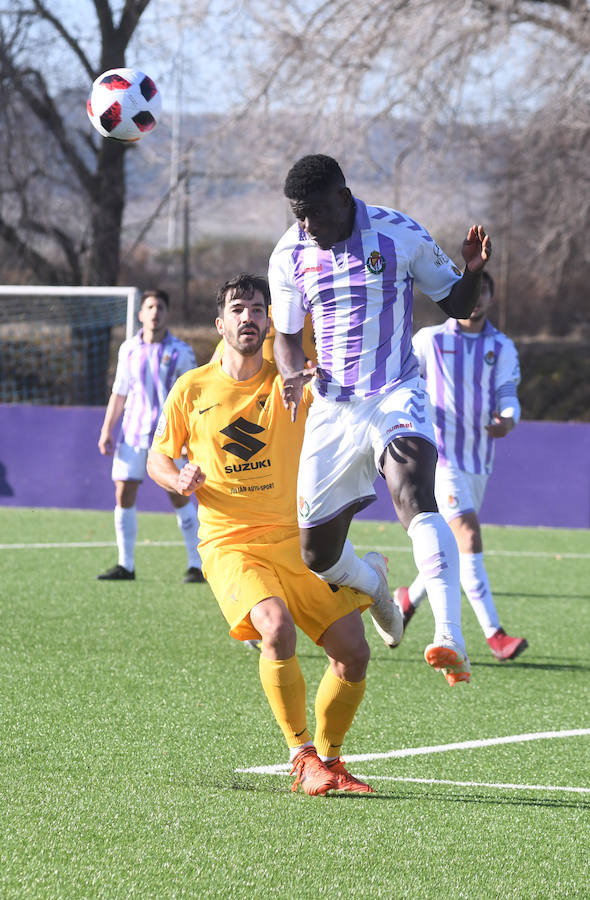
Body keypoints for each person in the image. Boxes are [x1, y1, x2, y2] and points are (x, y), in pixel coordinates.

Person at [147, 273, 398, 795]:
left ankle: (331, 760)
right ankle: (301, 755)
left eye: (258, 309)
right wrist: (178, 477)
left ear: (269, 322)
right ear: (220, 323)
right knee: (275, 626)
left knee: (353, 653)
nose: (249, 317)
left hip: (297, 538)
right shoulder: (192, 389)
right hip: (231, 543)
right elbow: (157, 456)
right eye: (238, 309)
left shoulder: (294, 382)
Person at [269, 153, 493, 686]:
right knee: (318, 555)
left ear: (344, 199)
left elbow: (457, 303)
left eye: (316, 213)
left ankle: (449, 637)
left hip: (396, 391)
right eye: (300, 214)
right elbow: (284, 334)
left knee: (415, 494)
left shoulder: (399, 234)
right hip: (332, 406)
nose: (308, 225)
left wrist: (473, 272)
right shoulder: (289, 254)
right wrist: (292, 371)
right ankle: (373, 583)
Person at [394, 271, 528, 661]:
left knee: (453, 542)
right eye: (469, 291)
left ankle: (407, 599)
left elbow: (508, 394)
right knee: (467, 535)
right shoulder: (429, 340)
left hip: (479, 459)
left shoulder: (501, 347)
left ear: (489, 297)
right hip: (439, 456)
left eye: (482, 291)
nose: (476, 298)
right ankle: (495, 635)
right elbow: (401, 379)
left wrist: (507, 418)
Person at [97, 289, 204, 583]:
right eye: (150, 307)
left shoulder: (181, 351)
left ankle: (197, 565)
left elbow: (191, 396)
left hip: (169, 438)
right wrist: (108, 429)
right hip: (132, 433)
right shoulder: (128, 349)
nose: (155, 312)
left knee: (179, 495)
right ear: (141, 314)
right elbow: (119, 391)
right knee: (124, 492)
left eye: (160, 307)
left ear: (167, 314)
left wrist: (192, 436)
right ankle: (125, 565)